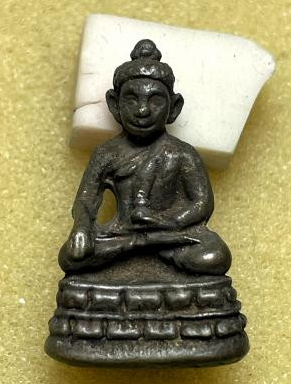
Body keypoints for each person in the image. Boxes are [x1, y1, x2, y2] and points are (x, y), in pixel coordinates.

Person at [59, 39, 231, 276]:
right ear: (114, 104)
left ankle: (141, 245)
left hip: (170, 234)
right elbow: (87, 199)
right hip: (121, 233)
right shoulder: (106, 153)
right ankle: (137, 244)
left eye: (155, 101)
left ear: (174, 107)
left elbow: (202, 203)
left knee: (215, 255)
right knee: (72, 255)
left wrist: (167, 221)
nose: (142, 110)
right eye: (131, 100)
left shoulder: (181, 153)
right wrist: (82, 227)